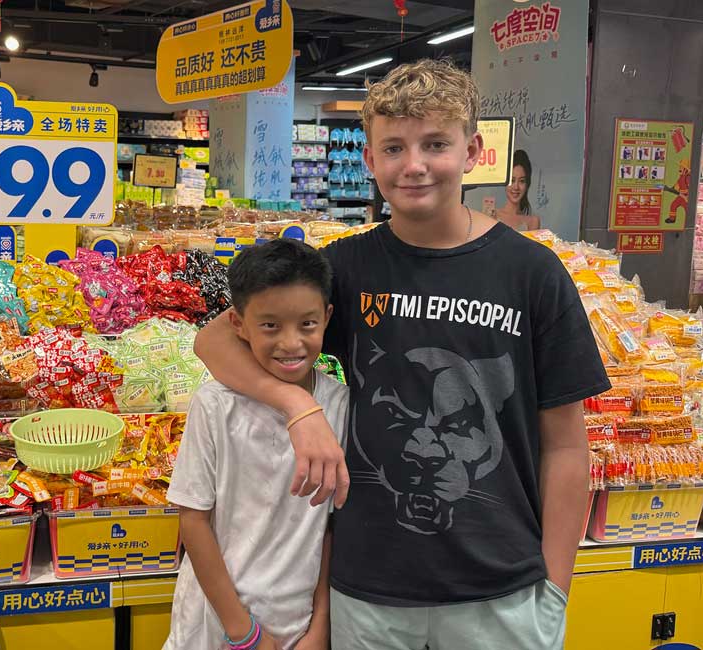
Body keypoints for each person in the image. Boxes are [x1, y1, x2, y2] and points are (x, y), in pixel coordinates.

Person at [193, 59, 610, 650]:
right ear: (369, 161)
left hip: (501, 590)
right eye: (394, 148)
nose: (413, 165)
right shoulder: (346, 267)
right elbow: (214, 339)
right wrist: (297, 404)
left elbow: (566, 444)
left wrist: (555, 588)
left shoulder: (532, 274)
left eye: (435, 144)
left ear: (472, 151)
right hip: (369, 589)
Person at [164, 238, 347, 650]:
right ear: (238, 324)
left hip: (297, 623)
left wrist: (320, 624)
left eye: (307, 324)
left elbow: (330, 525)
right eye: (270, 326)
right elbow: (193, 521)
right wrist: (244, 633)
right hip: (214, 625)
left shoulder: (338, 404)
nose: (291, 343)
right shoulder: (214, 404)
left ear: (327, 317)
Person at [495, 149, 541, 231]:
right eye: (512, 180)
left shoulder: (533, 221)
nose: (516, 187)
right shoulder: (492, 216)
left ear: (527, 184)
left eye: (522, 181)